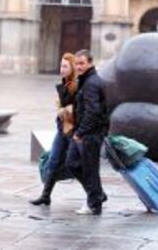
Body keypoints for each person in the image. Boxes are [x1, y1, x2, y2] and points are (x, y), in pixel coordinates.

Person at [30, 53, 77, 206]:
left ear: (72, 68)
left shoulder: (77, 86)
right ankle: (45, 196)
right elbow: (60, 106)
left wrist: (66, 109)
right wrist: (61, 109)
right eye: (61, 66)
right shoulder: (64, 84)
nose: (61, 69)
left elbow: (79, 108)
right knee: (53, 161)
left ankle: (97, 194)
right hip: (62, 129)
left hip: (73, 131)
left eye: (65, 66)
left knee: (76, 165)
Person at [65, 49, 108, 215]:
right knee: (72, 164)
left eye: (82, 63)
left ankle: (95, 204)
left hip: (90, 133)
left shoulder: (91, 83)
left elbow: (94, 111)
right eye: (76, 63)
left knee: (89, 168)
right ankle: (97, 194)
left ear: (90, 63)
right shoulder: (85, 80)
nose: (79, 66)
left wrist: (80, 132)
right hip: (85, 131)